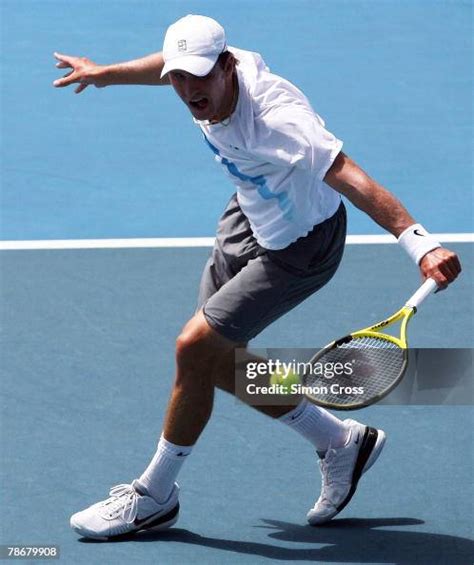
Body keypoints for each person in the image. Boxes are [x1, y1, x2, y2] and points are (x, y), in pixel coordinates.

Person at [53, 14, 461, 539]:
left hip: (300, 247)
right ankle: (340, 441)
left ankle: (154, 495)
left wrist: (418, 241)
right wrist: (105, 73)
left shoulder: (280, 121)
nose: (187, 89)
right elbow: (167, 66)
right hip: (250, 213)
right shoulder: (202, 68)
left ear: (228, 66)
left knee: (193, 349)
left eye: (199, 76)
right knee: (217, 363)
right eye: (180, 77)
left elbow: (352, 178)